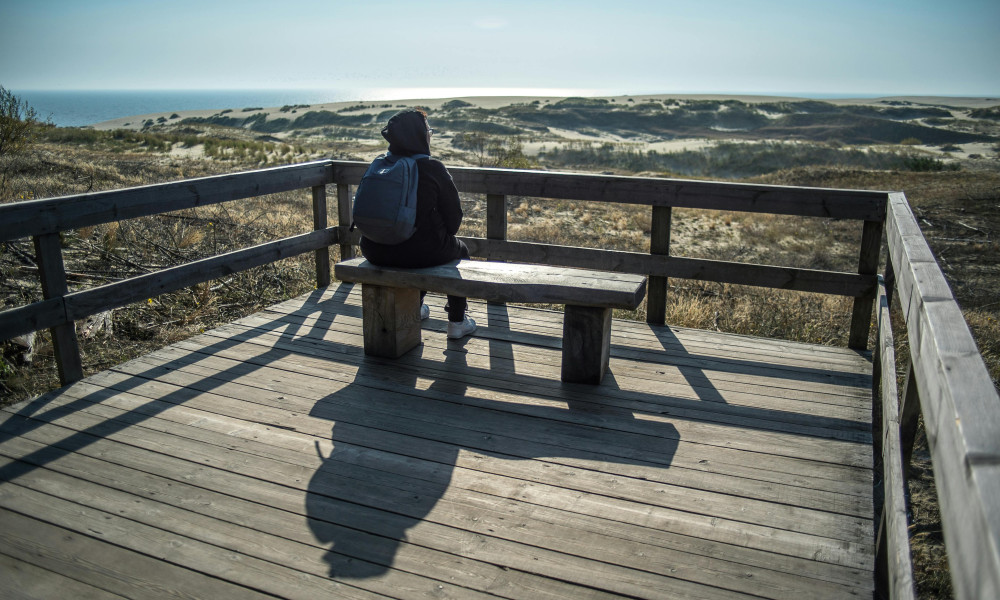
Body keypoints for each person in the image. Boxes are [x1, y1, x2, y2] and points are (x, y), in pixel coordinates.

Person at [359, 109, 476, 339]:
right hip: (418, 253)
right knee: (458, 249)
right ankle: (457, 321)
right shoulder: (433, 168)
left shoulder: (380, 165)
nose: (430, 135)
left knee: (419, 244)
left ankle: (416, 307)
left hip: (374, 249)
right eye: (428, 130)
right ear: (419, 135)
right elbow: (454, 224)